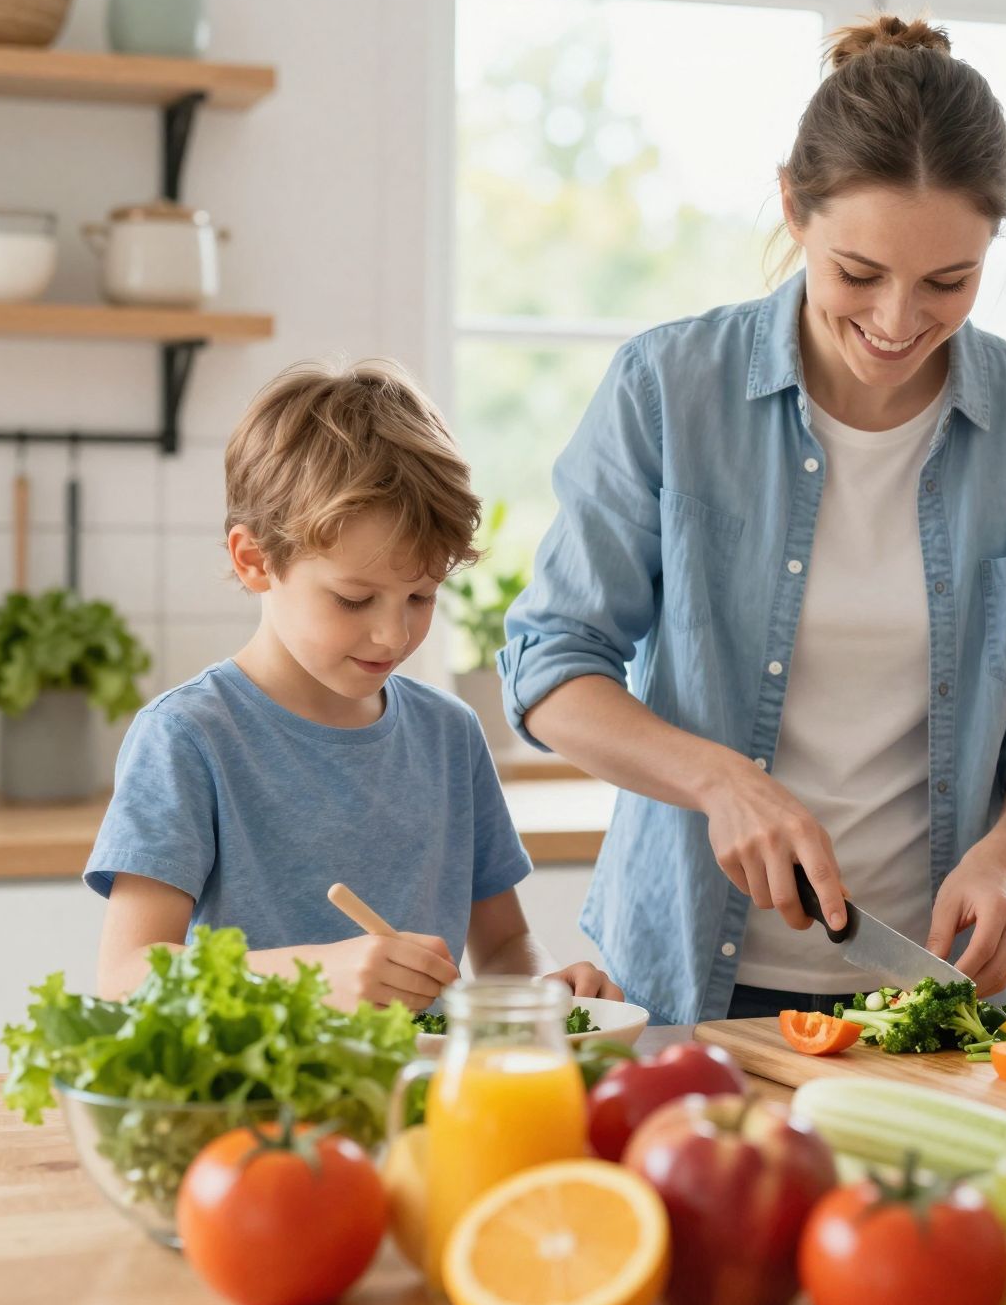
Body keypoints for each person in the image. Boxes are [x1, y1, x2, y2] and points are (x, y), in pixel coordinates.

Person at [499, 16, 1006, 1023]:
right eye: (859, 274)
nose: (895, 322)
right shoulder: (668, 389)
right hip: (685, 989)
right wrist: (718, 783)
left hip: (940, 1004)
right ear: (793, 206)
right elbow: (550, 669)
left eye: (947, 282)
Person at [87, 359, 620, 1009]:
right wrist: (314, 976)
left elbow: (505, 946)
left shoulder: (449, 735)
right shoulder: (188, 737)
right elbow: (126, 975)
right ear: (254, 560)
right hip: (257, 1107)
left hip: (421, 1101)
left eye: (421, 596)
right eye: (354, 599)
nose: (392, 636)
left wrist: (545, 987)